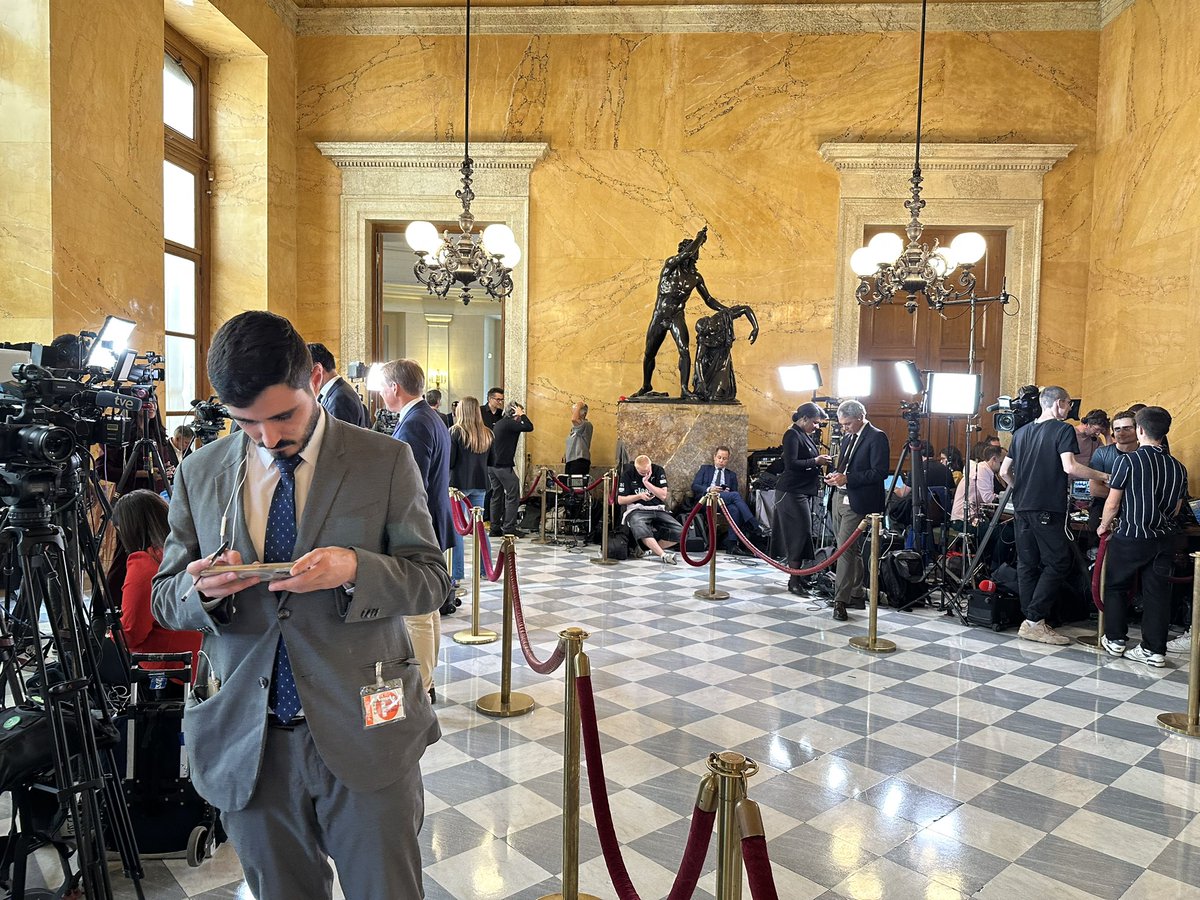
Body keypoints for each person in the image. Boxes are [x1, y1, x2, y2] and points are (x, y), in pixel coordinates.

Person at [152, 311, 449, 900]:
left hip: (367, 724)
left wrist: (355, 570)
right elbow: (166, 595)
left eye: (283, 415)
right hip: (250, 741)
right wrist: (202, 592)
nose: (267, 438)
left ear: (314, 379)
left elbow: (431, 579)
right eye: (246, 422)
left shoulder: (383, 462)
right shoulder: (200, 473)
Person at [1000, 386, 1113, 645]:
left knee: (1027, 564)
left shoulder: (1020, 432)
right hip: (1047, 506)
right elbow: (1069, 466)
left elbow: (1005, 472)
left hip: (1022, 506)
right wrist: (1104, 476)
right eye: (1068, 404)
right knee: (1059, 562)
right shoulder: (1063, 430)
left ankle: (1031, 621)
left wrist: (1023, 489)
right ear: (1059, 403)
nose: (1070, 410)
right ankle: (1034, 620)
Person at [381, 359, 453, 703]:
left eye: (383, 386)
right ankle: (429, 679)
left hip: (417, 528)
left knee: (417, 613)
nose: (381, 393)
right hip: (433, 521)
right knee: (429, 608)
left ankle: (423, 687)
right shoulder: (429, 416)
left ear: (395, 387)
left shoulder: (414, 423)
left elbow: (413, 485)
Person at [1098, 406, 1188, 667]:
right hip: (1163, 538)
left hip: (1132, 535)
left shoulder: (1127, 460)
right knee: (1157, 593)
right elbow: (1177, 508)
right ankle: (1153, 650)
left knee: (1116, 586)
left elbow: (1113, 503)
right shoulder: (1178, 468)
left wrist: (1104, 525)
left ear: (1139, 430)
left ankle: (1115, 640)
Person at [630, 226, 742, 399]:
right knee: (649, 353)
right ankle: (646, 385)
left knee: (684, 350)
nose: (694, 254)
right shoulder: (670, 267)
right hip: (660, 316)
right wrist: (699, 239)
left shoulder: (695, 277)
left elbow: (709, 300)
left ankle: (684, 388)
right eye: (691, 251)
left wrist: (726, 310)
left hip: (676, 316)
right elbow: (685, 255)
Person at [112, 489, 201, 675]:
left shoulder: (144, 563)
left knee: (89, 656)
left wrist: (109, 633)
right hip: (199, 659)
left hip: (168, 665)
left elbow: (132, 633)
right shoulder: (185, 551)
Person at [823, 400, 890, 621]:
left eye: (848, 424)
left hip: (858, 501)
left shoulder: (876, 437)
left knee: (843, 550)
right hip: (839, 497)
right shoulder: (848, 436)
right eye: (842, 424)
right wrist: (835, 475)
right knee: (850, 549)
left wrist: (848, 478)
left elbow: (879, 472)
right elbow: (844, 465)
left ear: (860, 417)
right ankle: (856, 593)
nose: (844, 428)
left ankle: (839, 601)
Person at [772, 403, 831, 594]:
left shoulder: (804, 434)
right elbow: (791, 463)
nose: (816, 427)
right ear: (804, 418)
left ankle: (800, 576)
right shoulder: (792, 434)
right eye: (814, 423)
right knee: (798, 533)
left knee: (805, 534)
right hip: (790, 492)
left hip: (801, 491)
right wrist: (815, 461)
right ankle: (794, 579)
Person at [449, 397, 492, 595]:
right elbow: (491, 461)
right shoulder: (487, 434)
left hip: (459, 485)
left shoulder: (456, 432)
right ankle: (486, 569)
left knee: (456, 529)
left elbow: (450, 462)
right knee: (479, 527)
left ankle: (456, 574)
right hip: (481, 484)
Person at [692, 445, 760, 555]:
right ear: (714, 457)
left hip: (723, 500)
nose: (721, 461)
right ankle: (753, 523)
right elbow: (695, 486)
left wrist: (726, 492)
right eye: (719, 457)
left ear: (728, 460)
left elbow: (734, 493)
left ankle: (731, 545)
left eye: (724, 459)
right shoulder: (705, 469)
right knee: (735, 496)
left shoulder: (731, 475)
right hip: (707, 500)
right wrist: (710, 489)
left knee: (735, 510)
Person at [618, 454, 682, 563]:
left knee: (681, 531)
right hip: (637, 509)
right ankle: (663, 555)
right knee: (641, 527)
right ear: (636, 468)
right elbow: (620, 500)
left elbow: (663, 495)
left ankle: (647, 550)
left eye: (648, 471)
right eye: (642, 473)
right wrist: (639, 496)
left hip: (657, 508)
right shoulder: (628, 474)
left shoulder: (658, 470)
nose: (646, 474)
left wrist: (646, 483)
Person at [1087, 409, 1137, 536]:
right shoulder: (1102, 453)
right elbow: (1095, 489)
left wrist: (1112, 489)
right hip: (1103, 507)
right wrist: (1130, 494)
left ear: (1138, 430)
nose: (1121, 432)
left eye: (1127, 428)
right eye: (1117, 429)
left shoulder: (1144, 455)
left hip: (1136, 512)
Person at [488, 401, 534, 537]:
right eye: (520, 411)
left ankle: (495, 528)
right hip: (502, 466)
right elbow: (529, 427)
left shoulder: (502, 423)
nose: (522, 414)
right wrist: (522, 415)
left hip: (492, 466)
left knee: (497, 496)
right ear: (515, 412)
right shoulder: (510, 423)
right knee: (513, 494)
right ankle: (509, 528)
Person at [308, 342, 369, 428]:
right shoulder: (337, 392)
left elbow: (338, 439)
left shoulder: (340, 398)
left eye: (304, 372)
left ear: (318, 370)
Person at [564, 401, 593, 476]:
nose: (573, 412)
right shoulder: (574, 428)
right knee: (568, 486)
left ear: (583, 413)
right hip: (571, 460)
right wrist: (566, 455)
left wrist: (579, 405)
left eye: (575, 410)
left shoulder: (586, 425)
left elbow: (574, 419)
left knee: (577, 486)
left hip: (580, 460)